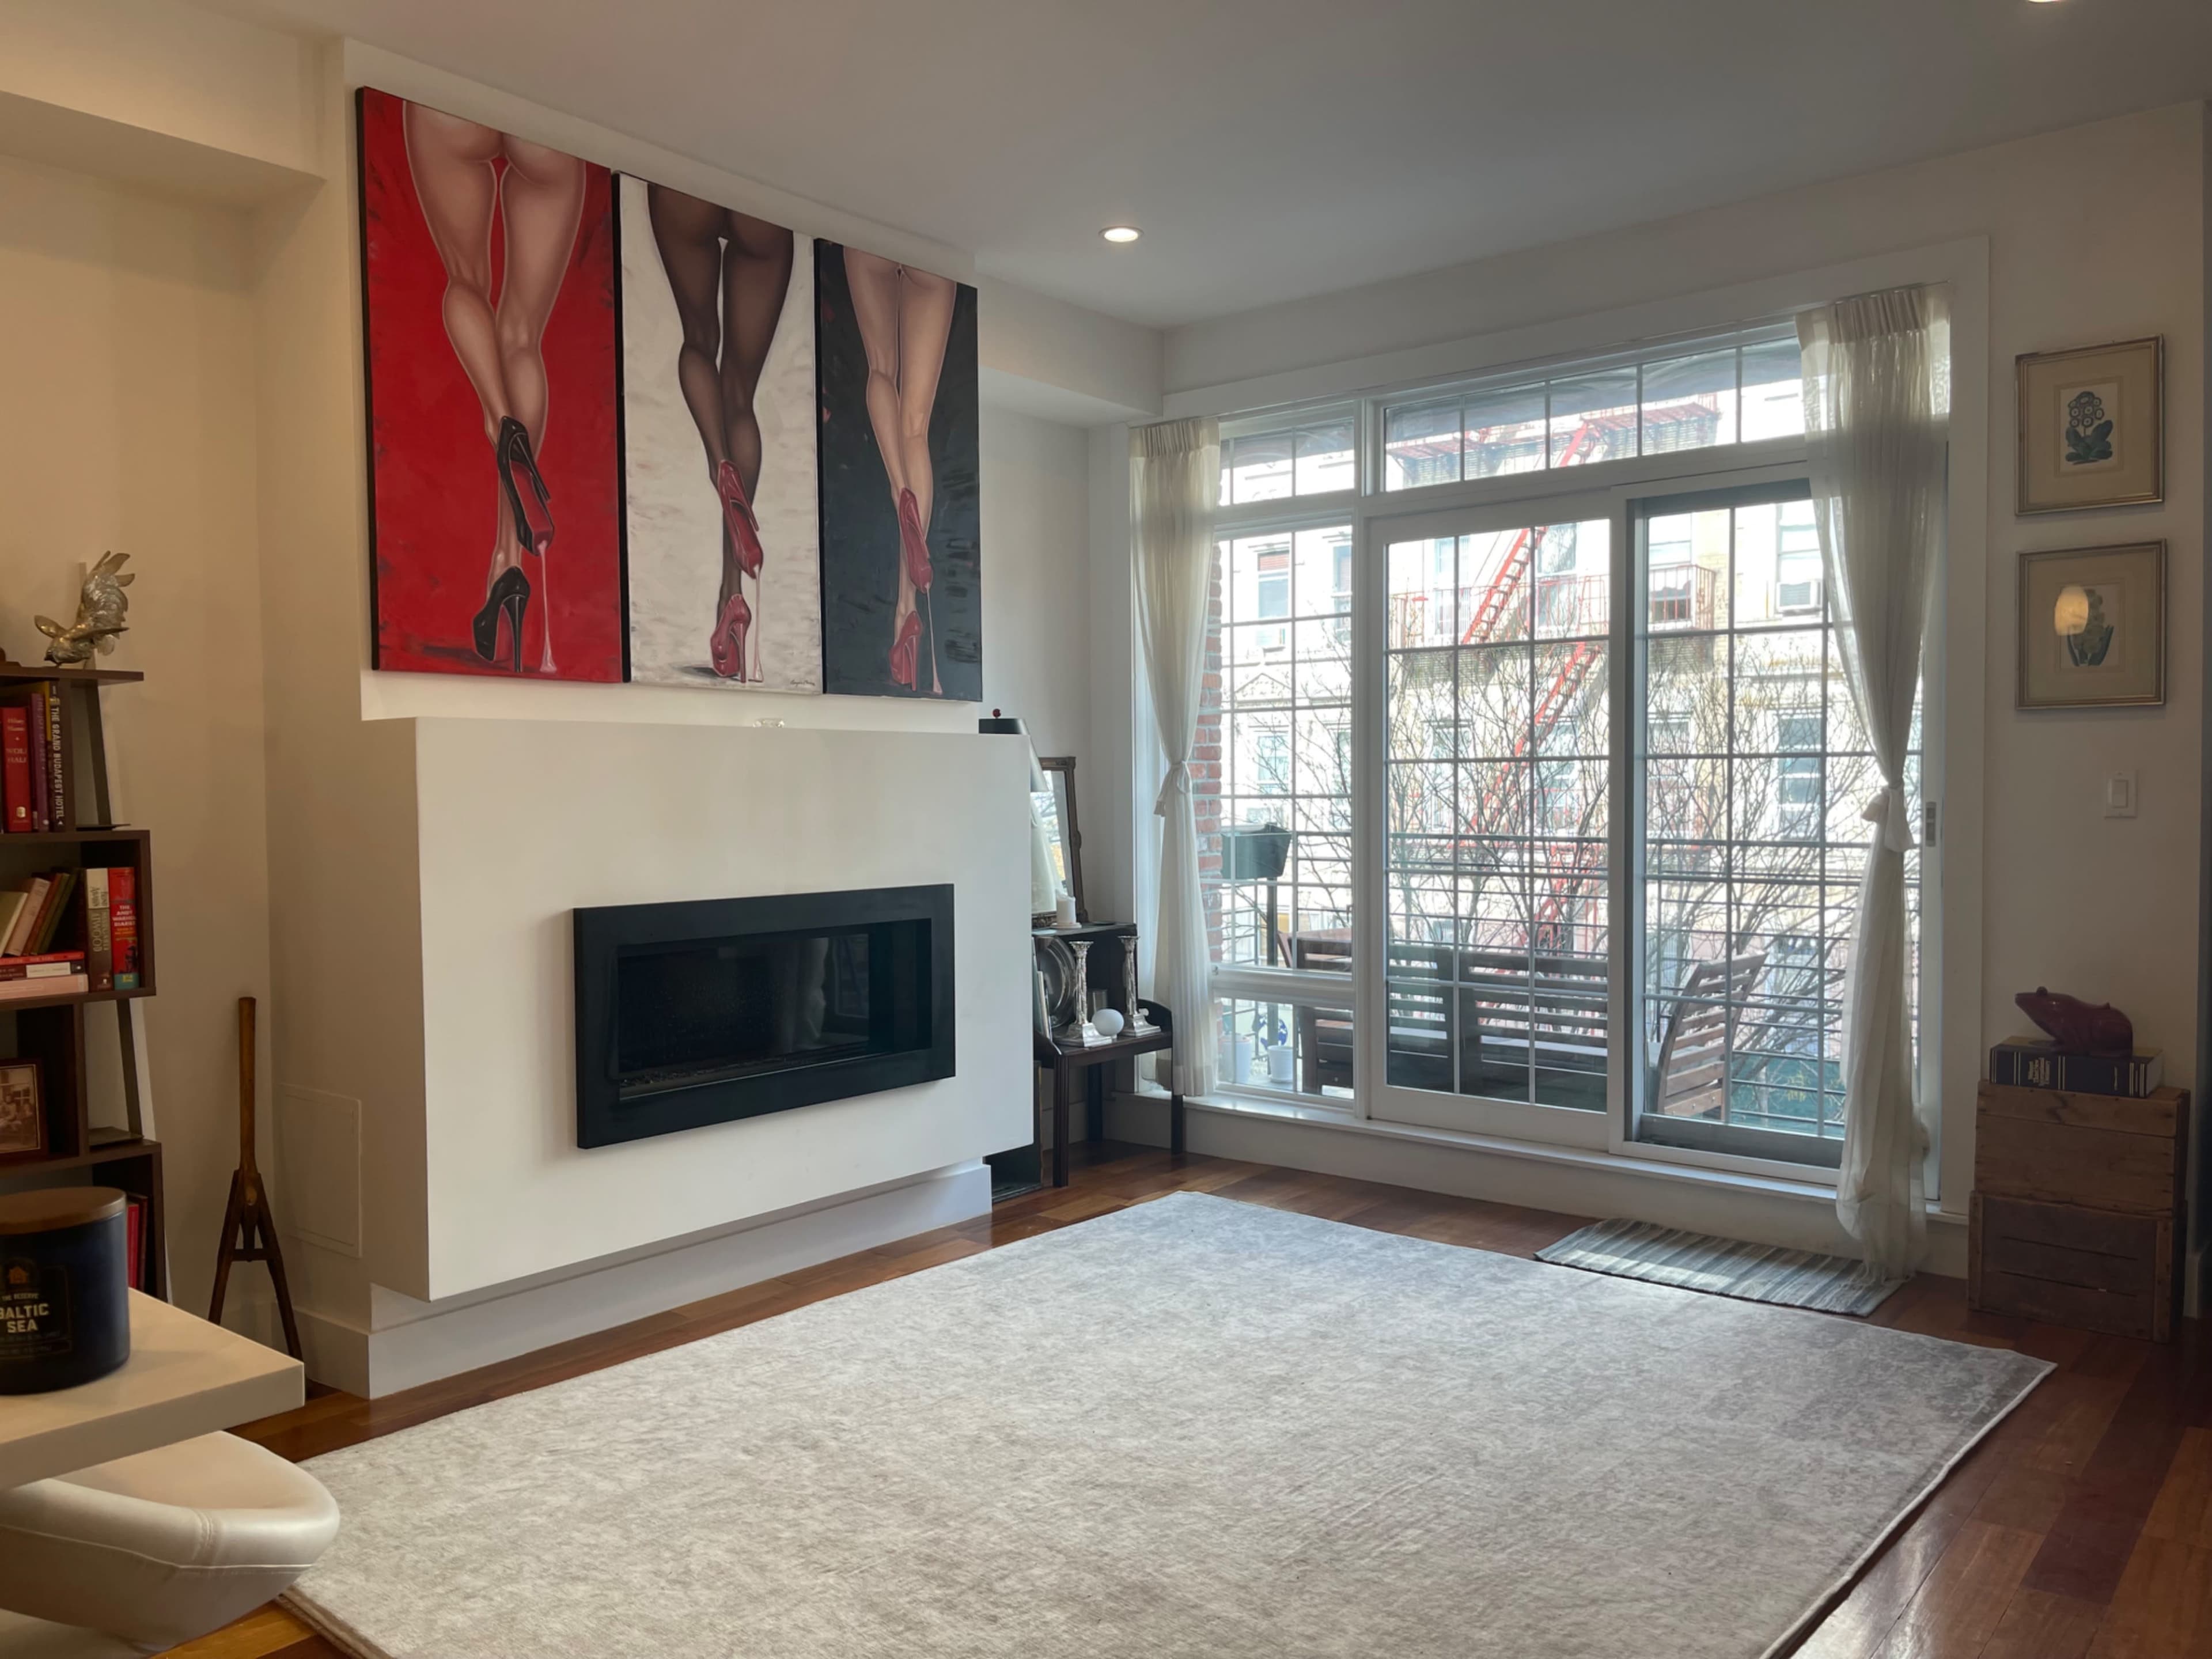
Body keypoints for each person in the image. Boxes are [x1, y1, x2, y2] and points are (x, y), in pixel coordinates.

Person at [403, 103, 584, 674]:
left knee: (466, 278)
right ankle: (509, 558)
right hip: (548, 135)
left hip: (450, 115)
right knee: (524, 337)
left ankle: (500, 418)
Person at [647, 187, 794, 681]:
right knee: (740, 396)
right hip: (762, 212)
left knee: (698, 340)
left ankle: (720, 465)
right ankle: (732, 592)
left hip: (685, 198)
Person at [843, 249, 956, 692]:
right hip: (934, 261)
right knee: (916, 429)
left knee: (881, 370)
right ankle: (907, 606)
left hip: (870, 251)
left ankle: (899, 490)